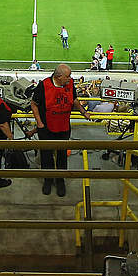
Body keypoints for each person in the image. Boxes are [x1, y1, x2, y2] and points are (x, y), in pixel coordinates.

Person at [31, 63, 89, 197]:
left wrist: (83, 112)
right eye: (67, 76)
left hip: (63, 127)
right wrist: (39, 123)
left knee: (62, 156)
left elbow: (74, 99)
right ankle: (48, 180)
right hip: (46, 128)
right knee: (46, 156)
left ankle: (60, 180)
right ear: (58, 76)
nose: (70, 79)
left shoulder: (69, 84)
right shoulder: (43, 86)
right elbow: (34, 104)